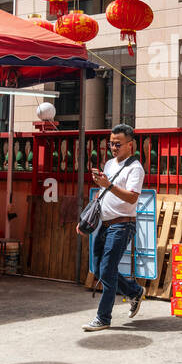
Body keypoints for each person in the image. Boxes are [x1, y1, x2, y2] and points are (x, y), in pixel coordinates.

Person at [81, 124, 147, 332]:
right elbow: (106, 192)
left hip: (122, 225)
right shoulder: (110, 164)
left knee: (107, 271)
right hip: (105, 224)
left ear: (131, 146)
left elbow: (132, 197)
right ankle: (134, 291)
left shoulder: (135, 168)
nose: (113, 148)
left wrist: (108, 185)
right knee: (101, 269)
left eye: (118, 144)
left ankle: (103, 317)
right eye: (111, 144)